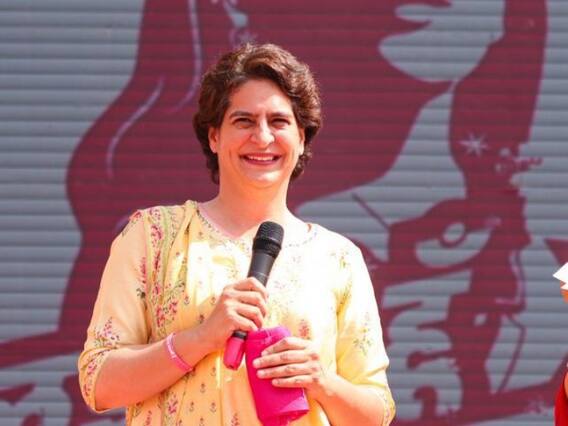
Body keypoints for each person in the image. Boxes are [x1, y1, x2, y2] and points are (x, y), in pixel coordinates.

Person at [78, 42, 395, 425]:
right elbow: (98, 382)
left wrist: (321, 381)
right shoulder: (153, 236)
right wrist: (200, 338)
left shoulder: (338, 258)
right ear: (214, 136)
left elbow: (376, 414)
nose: (262, 137)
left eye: (278, 122)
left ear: (302, 138)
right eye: (243, 121)